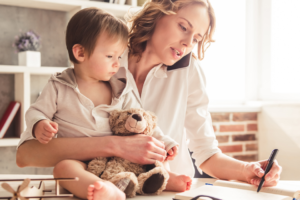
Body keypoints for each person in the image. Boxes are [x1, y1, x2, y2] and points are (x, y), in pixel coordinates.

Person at [17, 0, 282, 196]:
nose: (188, 43)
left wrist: (248, 170)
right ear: (159, 12)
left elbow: (206, 153)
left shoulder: (189, 72)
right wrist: (115, 146)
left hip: (167, 192)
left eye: (197, 38)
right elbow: (27, 154)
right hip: (103, 189)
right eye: (183, 27)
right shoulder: (105, 57)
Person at [17, 7, 181, 200]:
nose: (117, 64)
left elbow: (143, 120)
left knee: (151, 153)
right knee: (63, 169)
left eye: (119, 57)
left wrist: (166, 142)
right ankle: (103, 189)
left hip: (118, 162)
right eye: (110, 56)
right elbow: (35, 111)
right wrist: (39, 124)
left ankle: (164, 178)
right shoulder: (59, 86)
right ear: (80, 53)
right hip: (79, 162)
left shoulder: (122, 85)